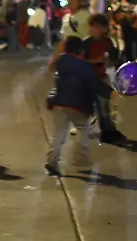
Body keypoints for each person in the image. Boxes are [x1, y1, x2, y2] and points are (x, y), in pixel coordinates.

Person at [45, 36, 109, 176]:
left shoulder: (61, 60)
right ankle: (80, 157)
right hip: (78, 104)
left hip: (59, 102)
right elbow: (94, 84)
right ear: (81, 51)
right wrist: (110, 92)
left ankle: (52, 160)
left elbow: (52, 67)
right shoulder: (85, 66)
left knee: (59, 133)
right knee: (83, 129)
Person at [85, 14, 126, 144]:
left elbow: (115, 59)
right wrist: (96, 60)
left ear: (104, 28)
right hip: (90, 78)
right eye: (92, 27)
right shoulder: (86, 43)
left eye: (97, 27)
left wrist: (110, 62)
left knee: (105, 106)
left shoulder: (109, 42)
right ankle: (103, 131)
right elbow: (81, 61)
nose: (93, 30)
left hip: (102, 77)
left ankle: (109, 130)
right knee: (97, 106)